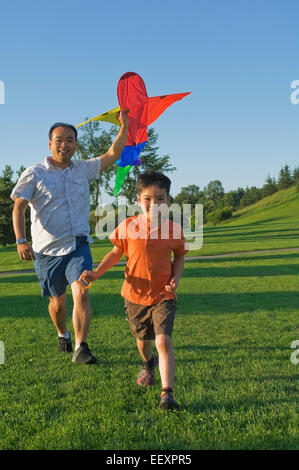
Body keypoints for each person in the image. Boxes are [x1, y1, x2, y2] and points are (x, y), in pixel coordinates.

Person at [11, 110, 129, 364]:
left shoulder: (83, 169)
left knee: (82, 292)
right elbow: (19, 207)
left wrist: (124, 125)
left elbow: (113, 154)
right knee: (58, 302)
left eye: (70, 140)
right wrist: (21, 240)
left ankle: (81, 347)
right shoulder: (35, 173)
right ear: (50, 143)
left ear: (76, 144)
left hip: (78, 244)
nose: (64, 145)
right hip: (46, 250)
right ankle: (62, 333)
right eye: (59, 140)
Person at [82, 170, 188, 409]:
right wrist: (96, 273)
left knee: (163, 341)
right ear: (139, 200)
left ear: (168, 201)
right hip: (134, 295)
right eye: (148, 199)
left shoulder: (174, 229)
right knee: (143, 339)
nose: (153, 204)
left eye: (160, 198)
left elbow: (180, 256)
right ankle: (147, 363)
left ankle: (167, 393)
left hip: (164, 295)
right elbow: (115, 253)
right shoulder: (128, 226)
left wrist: (176, 277)